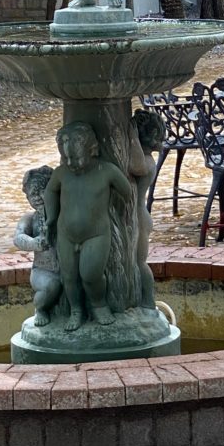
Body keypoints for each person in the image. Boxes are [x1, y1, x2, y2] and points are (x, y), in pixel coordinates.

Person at [44, 121, 133, 331]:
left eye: (76, 158)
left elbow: (127, 191)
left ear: (92, 149)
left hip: (96, 234)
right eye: (66, 158)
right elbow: (50, 191)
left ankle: (99, 304)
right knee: (69, 276)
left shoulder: (107, 171)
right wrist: (51, 217)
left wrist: (119, 212)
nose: (71, 163)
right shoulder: (61, 173)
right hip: (66, 234)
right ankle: (76, 310)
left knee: (91, 274)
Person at [13, 165, 61, 327]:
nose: (38, 197)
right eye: (32, 194)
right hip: (43, 270)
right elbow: (18, 237)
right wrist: (34, 243)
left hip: (67, 269)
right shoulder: (30, 219)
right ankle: (41, 309)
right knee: (51, 286)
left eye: (43, 191)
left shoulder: (63, 215)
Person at [128, 109, 165, 311]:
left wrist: (131, 136)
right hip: (138, 215)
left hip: (140, 217)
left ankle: (149, 303)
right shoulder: (147, 158)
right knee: (135, 261)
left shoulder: (146, 162)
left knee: (140, 262)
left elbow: (136, 167)